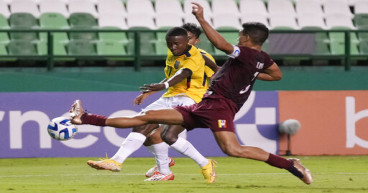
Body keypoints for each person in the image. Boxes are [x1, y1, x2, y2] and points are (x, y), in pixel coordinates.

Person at [69, 2, 313, 185]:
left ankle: (290, 164)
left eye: (240, 35)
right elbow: (277, 75)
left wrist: (202, 18)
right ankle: (84, 117)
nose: (238, 38)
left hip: (219, 106)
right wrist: (251, 75)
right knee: (146, 119)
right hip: (204, 105)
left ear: (247, 38)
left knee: (233, 149)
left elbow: (220, 45)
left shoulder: (247, 53)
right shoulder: (263, 59)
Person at [85, 25, 217, 182]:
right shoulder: (174, 51)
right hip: (170, 96)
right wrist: (150, 92)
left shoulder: (200, 56)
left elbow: (191, 74)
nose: (177, 45)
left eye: (187, 39)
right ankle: (121, 162)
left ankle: (204, 164)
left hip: (190, 100)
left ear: (195, 40)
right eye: (173, 42)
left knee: (167, 136)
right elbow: (173, 76)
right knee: (143, 126)